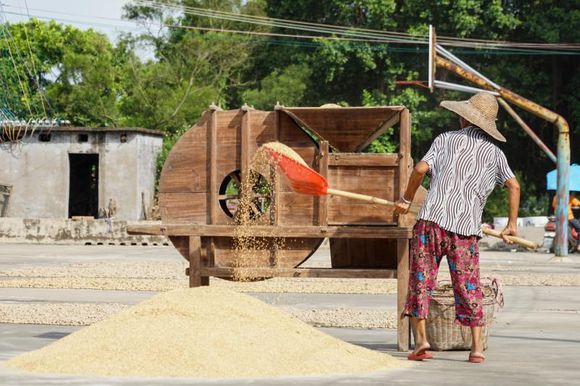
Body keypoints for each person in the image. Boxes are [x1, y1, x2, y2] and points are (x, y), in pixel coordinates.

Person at [394, 92, 520, 364]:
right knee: (468, 286)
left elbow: (419, 169)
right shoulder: (495, 154)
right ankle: (476, 348)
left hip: (431, 224)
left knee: (421, 281)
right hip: (465, 230)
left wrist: (405, 199)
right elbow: (514, 186)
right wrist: (511, 225)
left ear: (464, 117)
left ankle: (422, 342)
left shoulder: (444, 140)